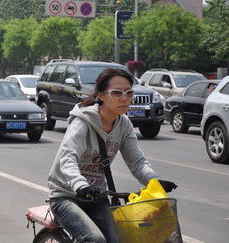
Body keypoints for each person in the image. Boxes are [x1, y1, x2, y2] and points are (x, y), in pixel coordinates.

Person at [47, 68, 177, 243]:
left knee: (121, 238)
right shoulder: (82, 123)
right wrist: (80, 185)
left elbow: (137, 161)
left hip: (96, 198)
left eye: (129, 93)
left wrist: (154, 181)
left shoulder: (124, 125)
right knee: (95, 239)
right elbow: (68, 158)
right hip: (65, 197)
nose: (124, 98)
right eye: (116, 93)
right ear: (101, 95)